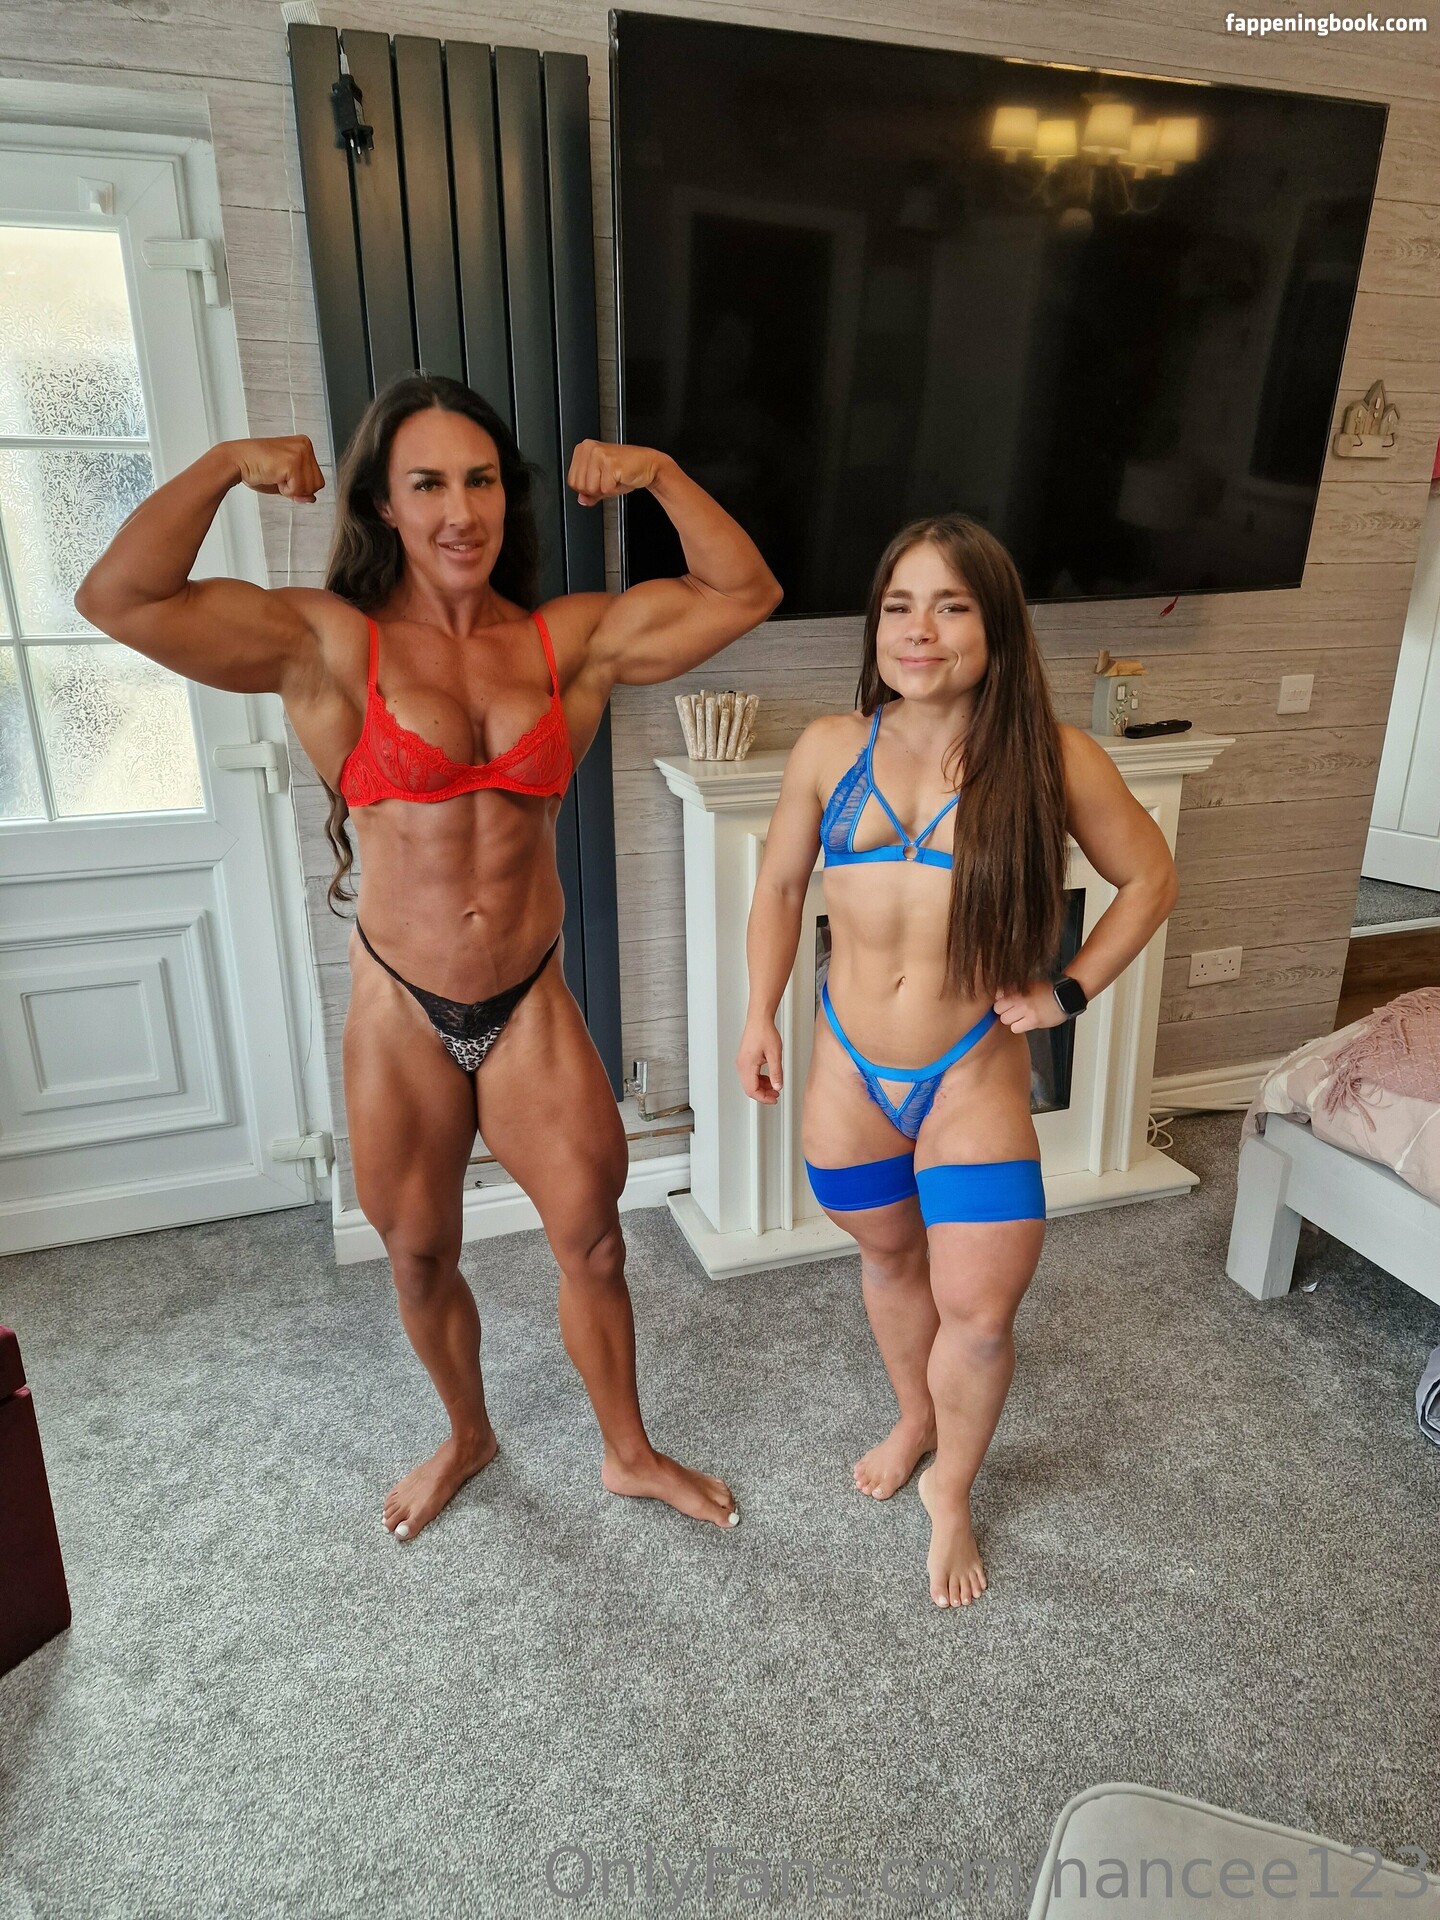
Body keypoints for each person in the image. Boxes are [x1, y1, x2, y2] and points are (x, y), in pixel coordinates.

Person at [76, 371, 781, 1541]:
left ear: (507, 495)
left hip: (530, 998)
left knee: (596, 1240)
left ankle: (627, 1453)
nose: (461, 511)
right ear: (383, 506)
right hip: (403, 1006)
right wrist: (223, 465)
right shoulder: (329, 644)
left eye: (481, 481)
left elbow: (744, 590)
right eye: (428, 485)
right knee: (414, 1255)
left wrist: (657, 473)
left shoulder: (565, 642)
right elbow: (122, 596)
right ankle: (467, 1434)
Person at [737, 515, 1177, 1607]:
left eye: (951, 606)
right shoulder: (830, 749)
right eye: (899, 606)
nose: (919, 630)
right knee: (889, 1261)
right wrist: (759, 1014)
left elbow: (1151, 878)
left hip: (970, 1071)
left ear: (997, 625)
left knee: (978, 1315)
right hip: (850, 1067)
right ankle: (914, 1418)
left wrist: (1068, 989)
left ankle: (954, 1490)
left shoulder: (1053, 758)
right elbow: (782, 888)